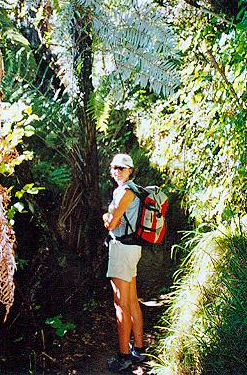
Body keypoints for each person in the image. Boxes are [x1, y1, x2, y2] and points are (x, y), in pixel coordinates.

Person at [102, 153, 146, 372]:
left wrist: (105, 218)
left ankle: (123, 356)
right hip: (132, 248)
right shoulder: (134, 190)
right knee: (131, 300)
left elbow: (111, 223)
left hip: (122, 249)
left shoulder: (125, 192)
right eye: (114, 167)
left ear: (130, 170)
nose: (116, 171)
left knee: (121, 304)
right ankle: (138, 348)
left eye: (121, 168)